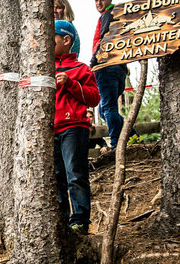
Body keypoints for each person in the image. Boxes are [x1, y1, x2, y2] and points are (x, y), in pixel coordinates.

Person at [54, 21, 101, 234]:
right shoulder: (43, 68)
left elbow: (94, 98)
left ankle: (80, 220)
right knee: (56, 176)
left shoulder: (81, 68)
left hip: (74, 127)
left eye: (52, 37)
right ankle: (62, 221)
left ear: (66, 40)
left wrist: (70, 83)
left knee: (75, 174)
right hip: (50, 130)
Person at [91, 0, 131, 149]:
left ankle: (115, 144)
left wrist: (93, 61)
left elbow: (104, 38)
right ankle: (131, 134)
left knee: (108, 108)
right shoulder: (118, 14)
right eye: (96, 0)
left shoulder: (108, 14)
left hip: (106, 66)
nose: (98, 3)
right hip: (119, 67)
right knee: (103, 110)